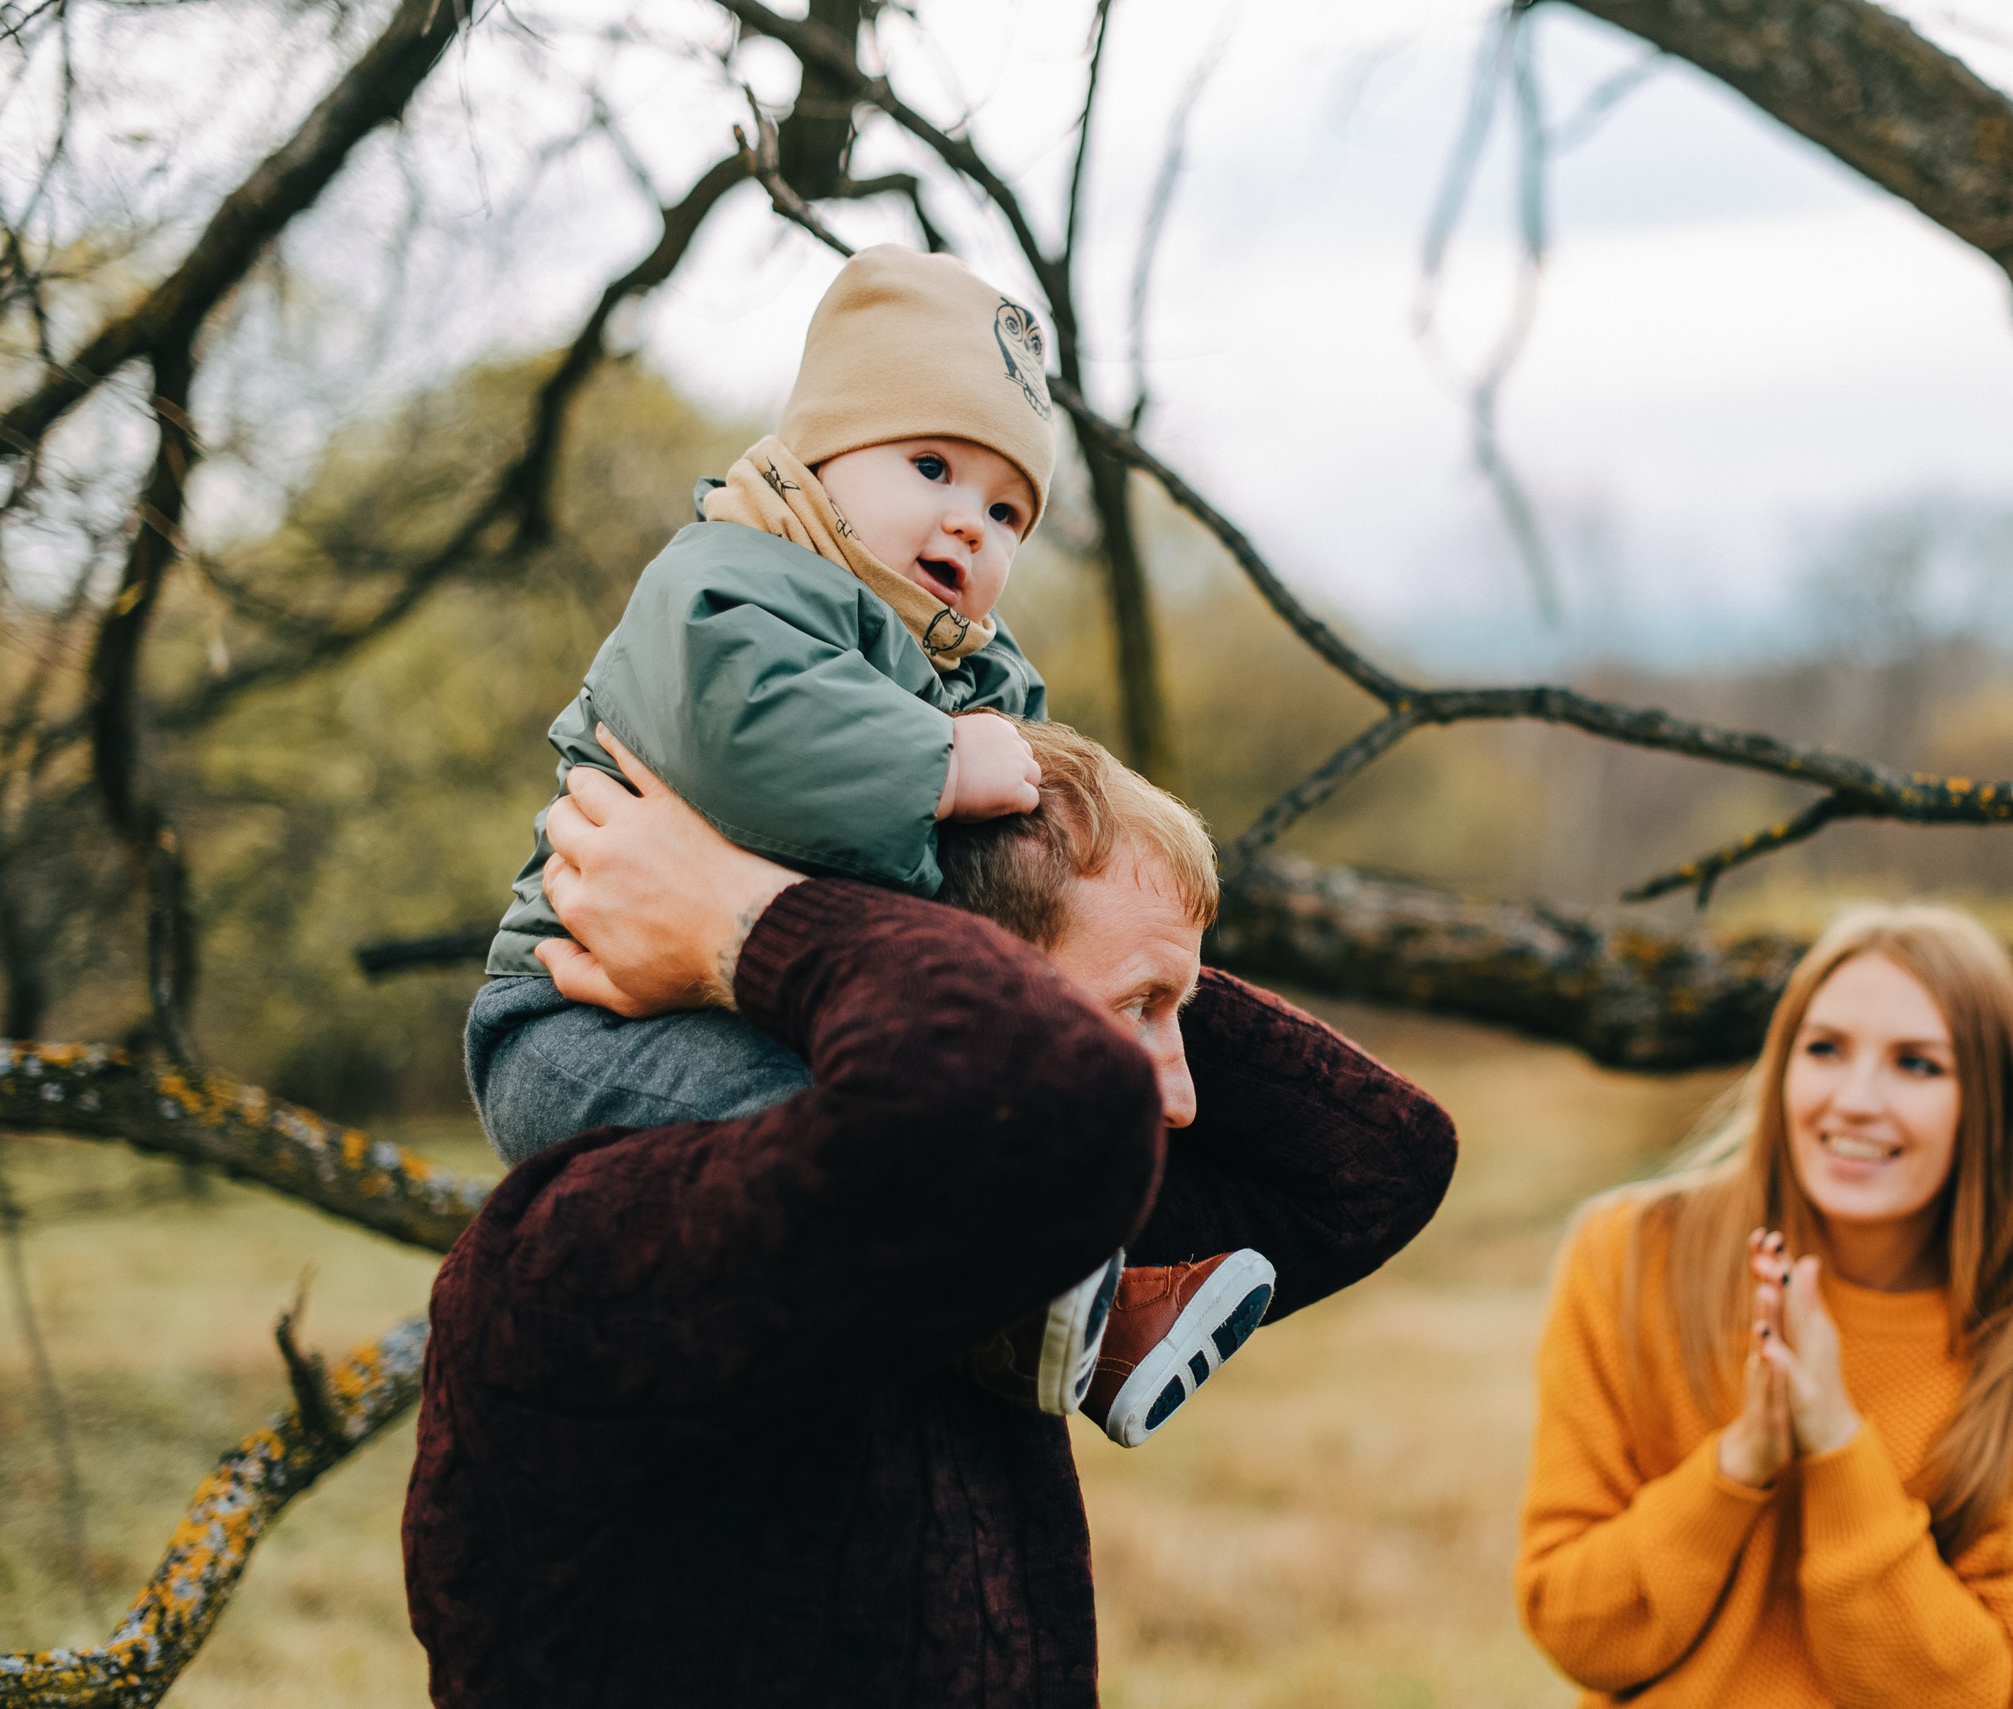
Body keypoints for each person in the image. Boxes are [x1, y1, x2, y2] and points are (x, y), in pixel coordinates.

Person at [404, 721, 1458, 1708]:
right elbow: (1014, 1082)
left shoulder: (991, 1233)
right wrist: (756, 923)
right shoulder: (580, 1249)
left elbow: (1377, 1162)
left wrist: (1110, 938)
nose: (1178, 1096)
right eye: (1136, 1011)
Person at [464, 244, 1267, 1444]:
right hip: (575, 1022)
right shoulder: (729, 582)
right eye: (931, 465)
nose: (968, 520)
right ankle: (1046, 1299)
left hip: (754, 998)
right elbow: (749, 733)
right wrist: (937, 764)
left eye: (1007, 510)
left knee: (933, 1112)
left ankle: (1085, 1325)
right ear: (817, 456)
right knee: (824, 1126)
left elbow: (1022, 853)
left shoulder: (970, 667)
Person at [1516, 905, 2013, 1707]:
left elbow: (1982, 1692)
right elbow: (1575, 1627)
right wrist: (1739, 1462)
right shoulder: (1628, 1256)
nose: (1856, 1099)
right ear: (1781, 1067)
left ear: (1991, 1100)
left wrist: (1838, 1445)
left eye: (1917, 1064)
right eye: (1825, 1049)